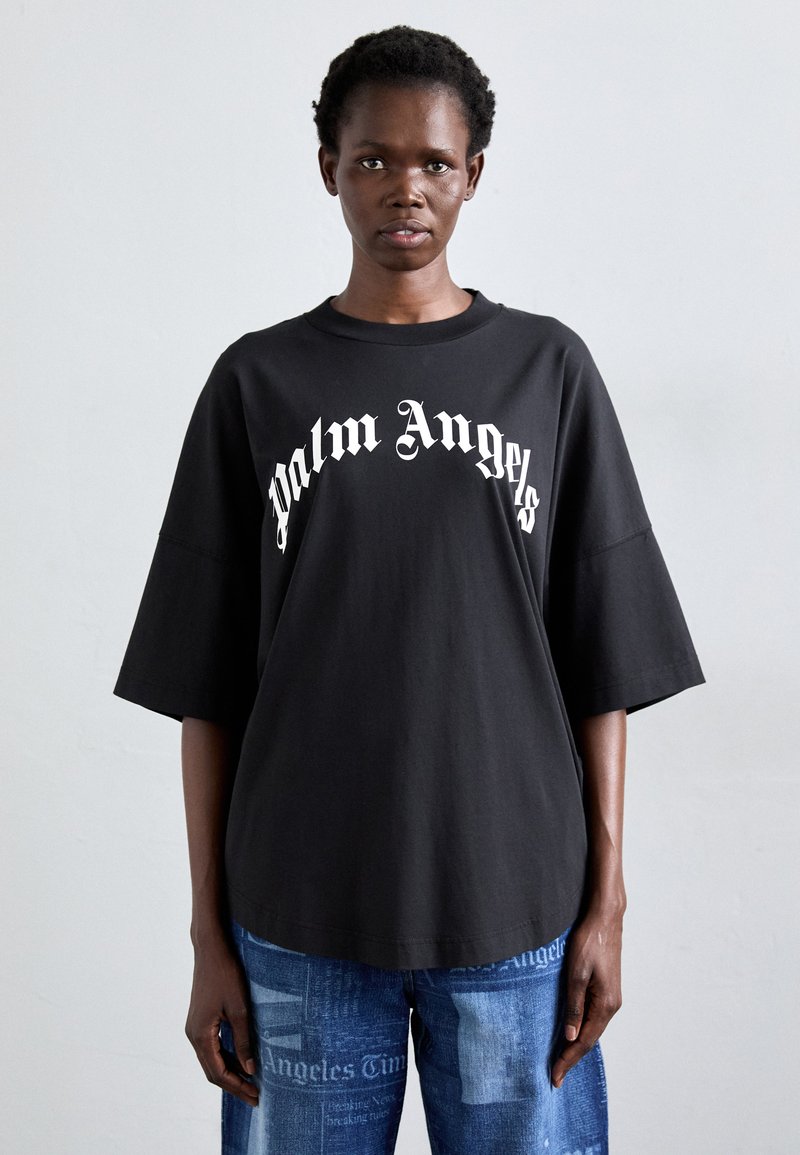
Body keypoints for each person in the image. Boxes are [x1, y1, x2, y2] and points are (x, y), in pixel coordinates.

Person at [113, 24, 705, 1155]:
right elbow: (206, 689)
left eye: (434, 161)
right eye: (374, 158)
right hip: (298, 920)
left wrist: (607, 903)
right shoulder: (256, 382)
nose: (405, 187)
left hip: (515, 917)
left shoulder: (548, 371)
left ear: (473, 172)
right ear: (328, 168)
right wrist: (207, 934)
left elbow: (604, 664)